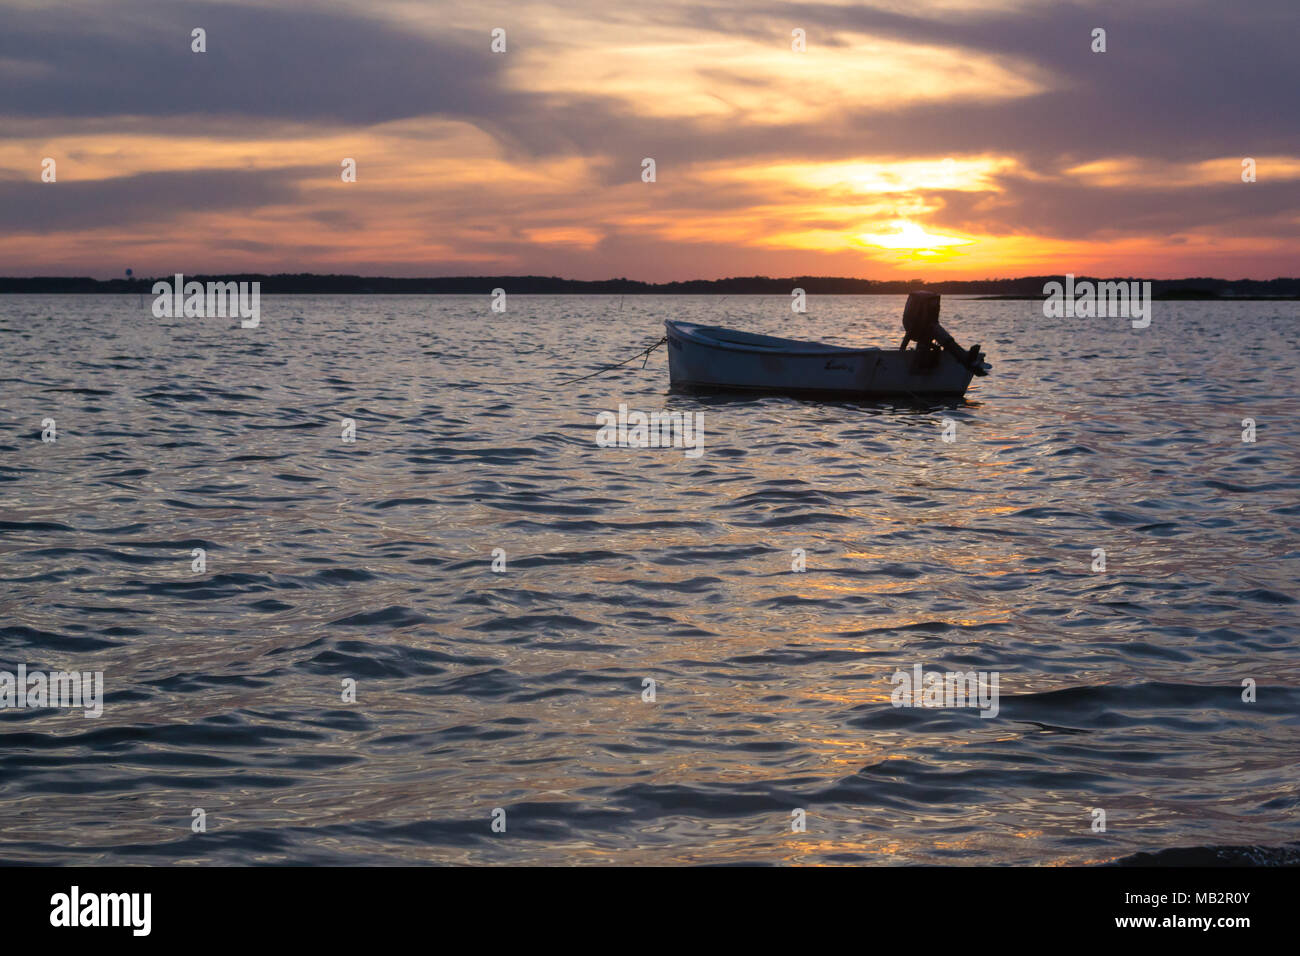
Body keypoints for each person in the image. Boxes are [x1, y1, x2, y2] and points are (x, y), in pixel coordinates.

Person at [899, 291, 986, 375]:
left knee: (937, 335)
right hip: (921, 335)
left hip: (929, 335)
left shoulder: (932, 325)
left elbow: (943, 341)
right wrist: (900, 354)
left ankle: (966, 359)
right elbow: (909, 335)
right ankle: (966, 360)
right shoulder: (917, 324)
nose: (935, 308)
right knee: (935, 335)